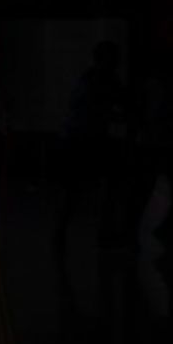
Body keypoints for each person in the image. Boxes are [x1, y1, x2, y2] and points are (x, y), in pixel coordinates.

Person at [54, 40, 127, 258]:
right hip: (83, 141)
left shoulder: (90, 79)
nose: (116, 63)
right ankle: (103, 234)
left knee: (73, 192)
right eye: (113, 59)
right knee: (105, 185)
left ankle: (60, 234)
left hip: (75, 141)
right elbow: (113, 108)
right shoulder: (102, 82)